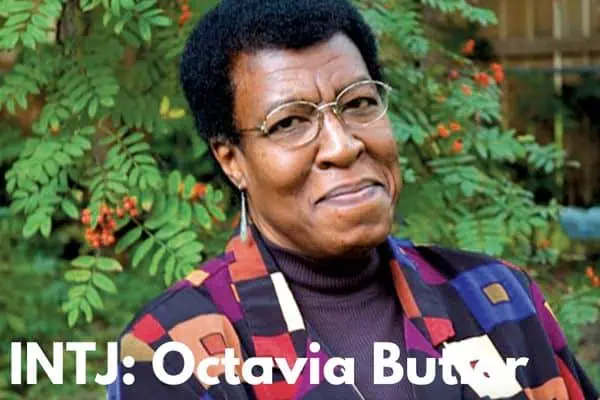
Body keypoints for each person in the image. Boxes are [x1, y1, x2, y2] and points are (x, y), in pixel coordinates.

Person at [108, 0, 599, 399]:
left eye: (359, 103)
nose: (343, 146)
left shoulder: (497, 300)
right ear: (232, 160)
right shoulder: (175, 350)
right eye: (289, 122)